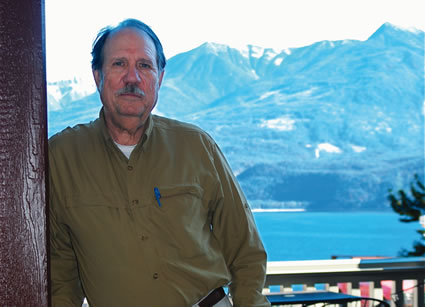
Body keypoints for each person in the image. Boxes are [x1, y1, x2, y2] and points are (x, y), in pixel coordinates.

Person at [49, 18, 270, 307]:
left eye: (144, 65)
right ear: (97, 75)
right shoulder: (61, 158)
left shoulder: (197, 147)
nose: (132, 78)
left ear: (159, 77)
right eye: (119, 64)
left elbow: (246, 251)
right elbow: (60, 275)